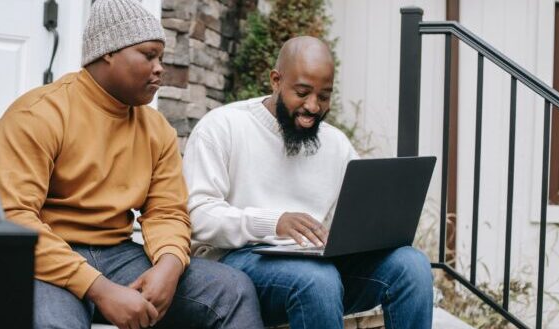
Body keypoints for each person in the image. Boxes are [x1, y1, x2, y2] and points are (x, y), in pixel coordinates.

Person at [0, 0, 264, 328]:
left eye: (161, 57)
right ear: (108, 51)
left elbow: (167, 212)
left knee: (232, 291)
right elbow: (15, 219)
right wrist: (99, 289)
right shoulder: (37, 115)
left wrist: (170, 264)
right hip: (49, 259)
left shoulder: (156, 127)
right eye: (149, 55)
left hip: (118, 255)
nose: (160, 67)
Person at [183, 36, 434, 329]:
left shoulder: (335, 143)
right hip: (236, 262)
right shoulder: (223, 126)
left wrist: (369, 233)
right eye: (302, 92)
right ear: (276, 80)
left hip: (313, 264)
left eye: (324, 96)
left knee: (412, 266)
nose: (313, 107)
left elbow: (357, 216)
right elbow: (197, 214)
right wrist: (274, 222)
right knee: (316, 279)